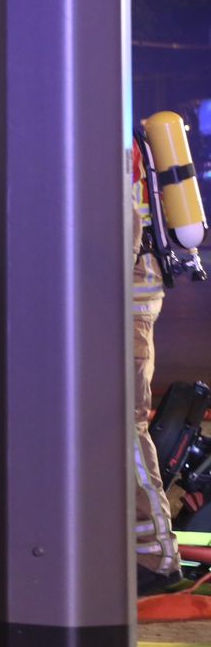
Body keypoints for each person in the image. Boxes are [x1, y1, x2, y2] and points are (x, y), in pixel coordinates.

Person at [127, 133, 183, 595]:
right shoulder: (125, 140)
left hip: (119, 311)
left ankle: (157, 557)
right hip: (126, 306)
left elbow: (120, 230)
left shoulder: (106, 140)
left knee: (123, 433)